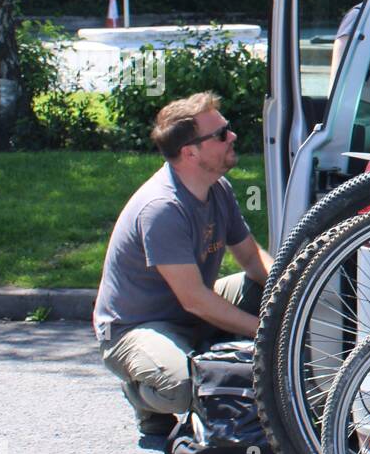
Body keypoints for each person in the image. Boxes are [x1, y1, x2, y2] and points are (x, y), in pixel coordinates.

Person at [93, 92, 273, 435]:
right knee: (182, 388)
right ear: (190, 152)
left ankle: (199, 356)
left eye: (228, 128)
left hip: (189, 309)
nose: (232, 136)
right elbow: (194, 299)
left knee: (268, 290)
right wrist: (266, 333)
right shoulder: (162, 208)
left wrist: (287, 289)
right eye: (221, 134)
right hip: (137, 327)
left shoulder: (217, 188)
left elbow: (250, 257)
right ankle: (140, 391)